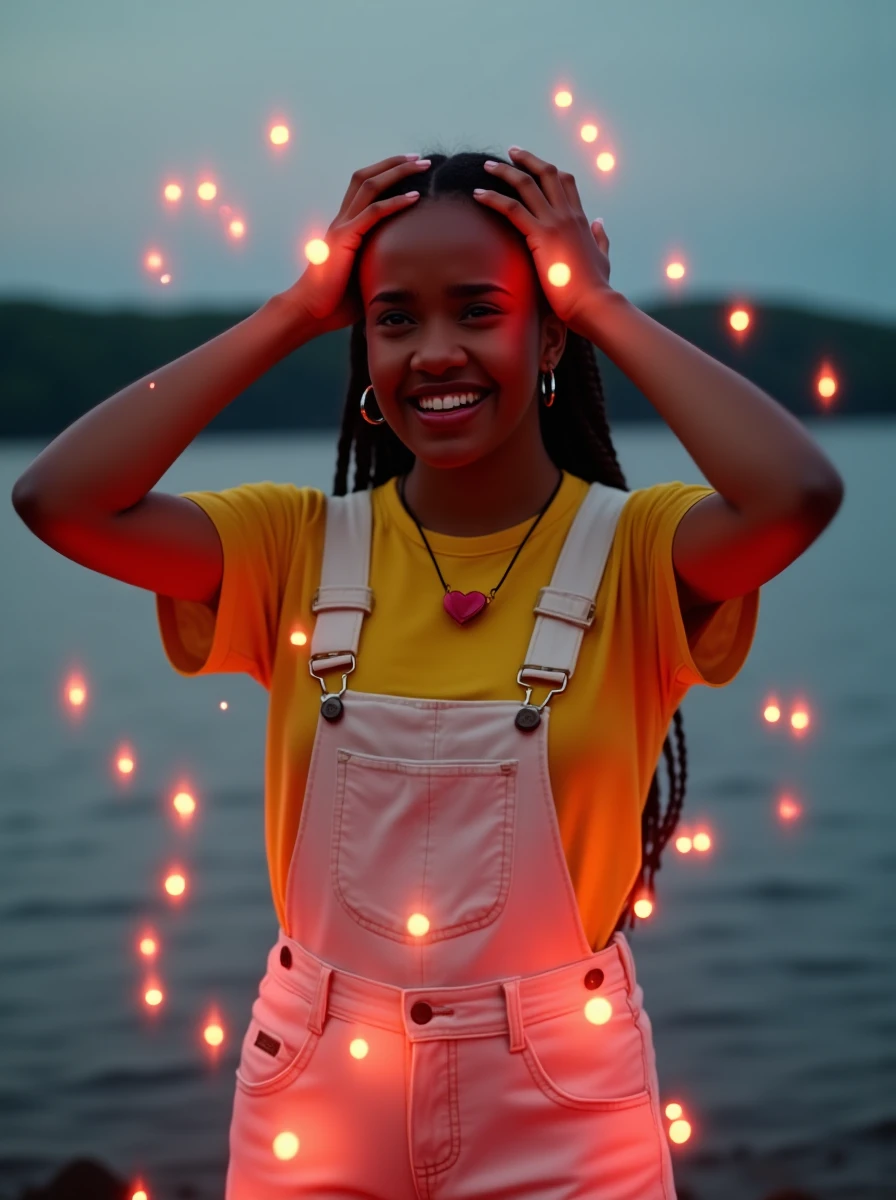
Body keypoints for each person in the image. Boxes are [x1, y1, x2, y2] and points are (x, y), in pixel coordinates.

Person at [12, 147, 844, 1198]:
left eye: (478, 311)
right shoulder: (295, 548)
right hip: (313, 1090)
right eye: (394, 318)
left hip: (564, 1109)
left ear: (546, 336)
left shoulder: (637, 553)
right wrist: (289, 311)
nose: (433, 352)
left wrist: (597, 302)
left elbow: (795, 494)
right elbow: (60, 500)